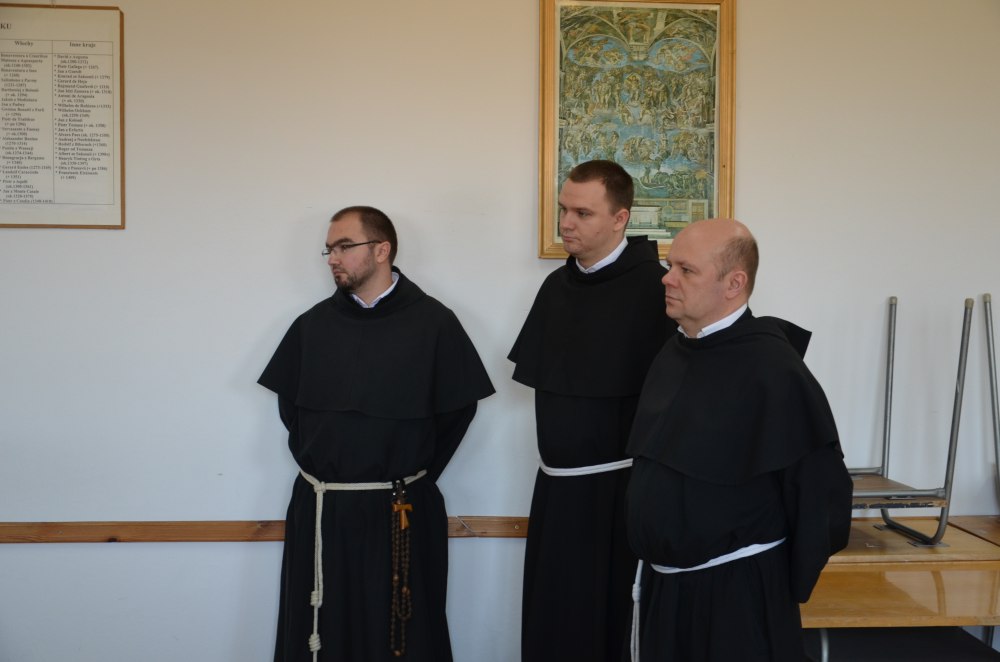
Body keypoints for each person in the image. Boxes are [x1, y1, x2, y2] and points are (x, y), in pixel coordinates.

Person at [258, 206, 495, 662]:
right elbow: (293, 415)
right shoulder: (311, 326)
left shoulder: (435, 323)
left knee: (401, 635)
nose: (333, 257)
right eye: (329, 248)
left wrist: (405, 475)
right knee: (321, 630)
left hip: (401, 509)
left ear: (382, 250)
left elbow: (456, 415)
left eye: (345, 246)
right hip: (322, 508)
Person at [625, 218, 853, 661]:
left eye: (686, 270)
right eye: (670, 266)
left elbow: (820, 492)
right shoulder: (673, 351)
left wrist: (772, 587)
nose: (667, 279)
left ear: (734, 283)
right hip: (662, 589)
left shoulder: (774, 369)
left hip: (735, 598)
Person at [509, 160, 672, 662]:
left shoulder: (657, 290)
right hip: (555, 491)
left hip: (619, 497)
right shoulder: (555, 288)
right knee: (555, 620)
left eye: (582, 213)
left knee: (610, 625)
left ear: (620, 219)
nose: (566, 223)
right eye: (563, 210)